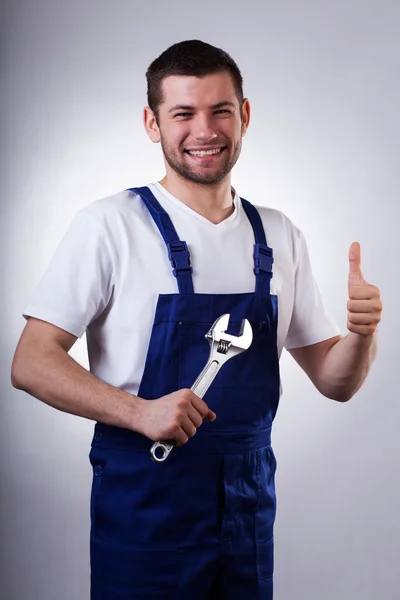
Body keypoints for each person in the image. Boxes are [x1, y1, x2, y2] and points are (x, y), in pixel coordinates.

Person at [11, 39, 382, 600]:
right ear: (152, 123)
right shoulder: (109, 225)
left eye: (220, 110)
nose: (204, 130)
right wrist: (139, 412)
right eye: (183, 113)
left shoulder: (280, 235)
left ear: (245, 115)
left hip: (247, 508)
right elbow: (30, 362)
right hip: (145, 506)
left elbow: (336, 382)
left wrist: (361, 334)